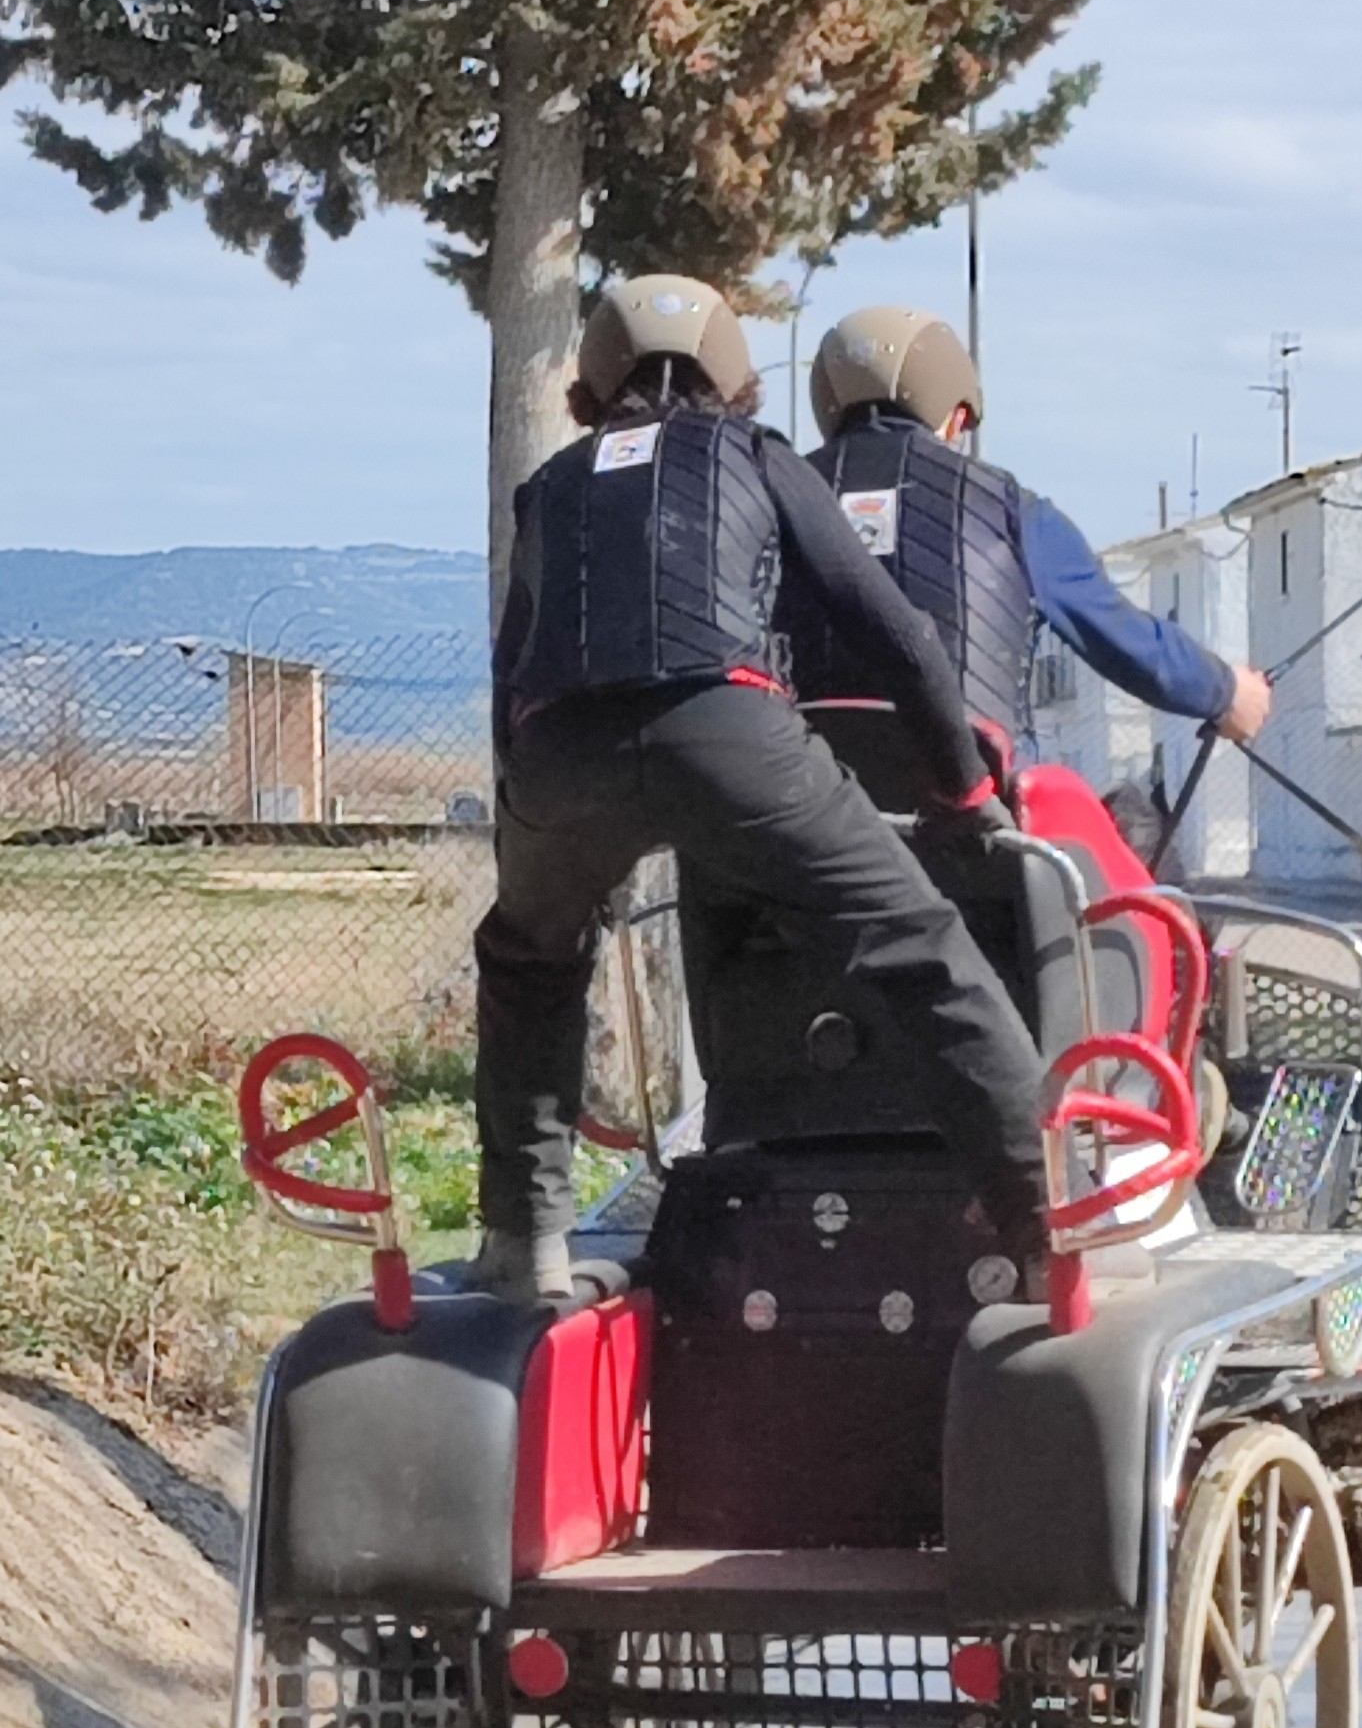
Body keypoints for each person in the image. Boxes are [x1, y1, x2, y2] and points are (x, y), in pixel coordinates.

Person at [471, 274, 1049, 1303]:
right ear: (741, 391)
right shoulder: (755, 456)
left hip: (559, 747)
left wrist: (539, 842)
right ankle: (1047, 1225)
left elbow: (513, 670)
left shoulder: (550, 486)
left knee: (526, 958)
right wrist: (961, 794)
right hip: (725, 731)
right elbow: (900, 637)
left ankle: (523, 1240)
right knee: (918, 946)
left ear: (580, 402)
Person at [791, 303, 1273, 749]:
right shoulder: (1011, 510)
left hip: (792, 800)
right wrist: (1226, 692)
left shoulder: (771, 494)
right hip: (974, 811)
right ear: (956, 418)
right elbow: (1122, 637)